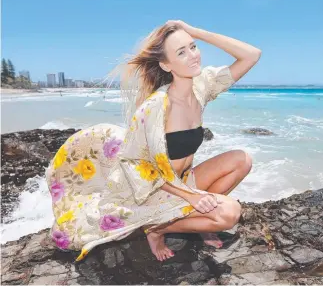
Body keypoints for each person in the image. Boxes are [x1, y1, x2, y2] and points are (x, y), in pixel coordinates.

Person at [45, 20, 261, 262]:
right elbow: (136, 164)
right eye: (181, 52)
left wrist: (195, 31)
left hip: (182, 181)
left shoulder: (202, 87)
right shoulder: (155, 108)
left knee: (242, 160)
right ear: (166, 65)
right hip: (153, 193)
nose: (192, 56)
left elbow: (251, 55)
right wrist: (192, 197)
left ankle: (200, 224)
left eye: (193, 47)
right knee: (230, 213)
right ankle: (158, 229)